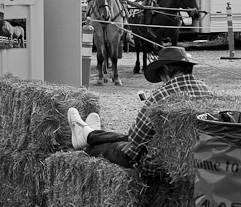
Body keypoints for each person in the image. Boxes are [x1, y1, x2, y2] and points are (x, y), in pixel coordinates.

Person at [68, 46, 213, 172]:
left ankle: (89, 137)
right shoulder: (207, 91)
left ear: (166, 70)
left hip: (156, 165)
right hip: (199, 160)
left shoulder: (161, 96)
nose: (162, 81)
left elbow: (135, 139)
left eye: (161, 75)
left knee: (97, 149)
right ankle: (90, 134)